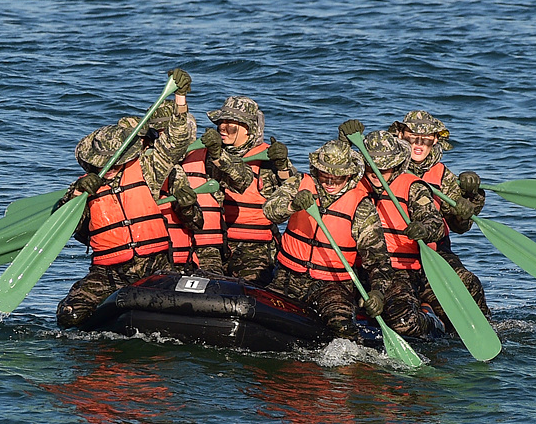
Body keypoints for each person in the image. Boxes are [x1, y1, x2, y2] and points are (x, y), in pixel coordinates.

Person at [56, 68, 195, 329]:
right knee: (69, 315)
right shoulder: (83, 186)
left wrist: (180, 98)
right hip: (106, 272)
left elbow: (177, 139)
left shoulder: (148, 167)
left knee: (179, 307)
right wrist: (77, 196)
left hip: (154, 264)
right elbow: (66, 228)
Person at [262, 139, 393, 341]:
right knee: (263, 312)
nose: (330, 183)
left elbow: (378, 259)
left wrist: (378, 293)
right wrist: (292, 206)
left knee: (342, 328)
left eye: (337, 177)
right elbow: (270, 210)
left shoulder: (362, 206)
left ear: (349, 174)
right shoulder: (299, 184)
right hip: (287, 277)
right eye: (325, 175)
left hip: (333, 284)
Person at [341, 122, 445, 337]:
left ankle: (429, 318)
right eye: (370, 168)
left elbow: (434, 223)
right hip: (357, 268)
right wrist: (343, 142)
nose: (375, 174)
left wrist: (423, 229)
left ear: (396, 166)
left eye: (384, 169)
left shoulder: (413, 188)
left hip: (400, 271)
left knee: (404, 324)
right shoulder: (350, 184)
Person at [389, 110, 490, 317]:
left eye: (425, 140)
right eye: (412, 138)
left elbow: (460, 226)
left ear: (435, 140)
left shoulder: (443, 176)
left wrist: (471, 198)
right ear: (400, 135)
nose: (418, 145)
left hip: (433, 254)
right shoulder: (382, 167)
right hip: (390, 253)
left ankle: (480, 328)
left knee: (469, 284)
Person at [202, 96, 296, 286]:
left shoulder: (268, 160)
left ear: (249, 128)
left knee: (249, 287)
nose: (222, 127)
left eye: (230, 123)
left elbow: (291, 192)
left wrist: (283, 167)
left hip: (255, 246)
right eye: (220, 122)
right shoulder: (207, 153)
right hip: (213, 241)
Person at [150, 108, 227, 273]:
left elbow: (241, 179)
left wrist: (217, 153)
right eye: (161, 134)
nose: (168, 141)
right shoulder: (146, 164)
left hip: (206, 250)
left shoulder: (208, 159)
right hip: (158, 254)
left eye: (170, 134)